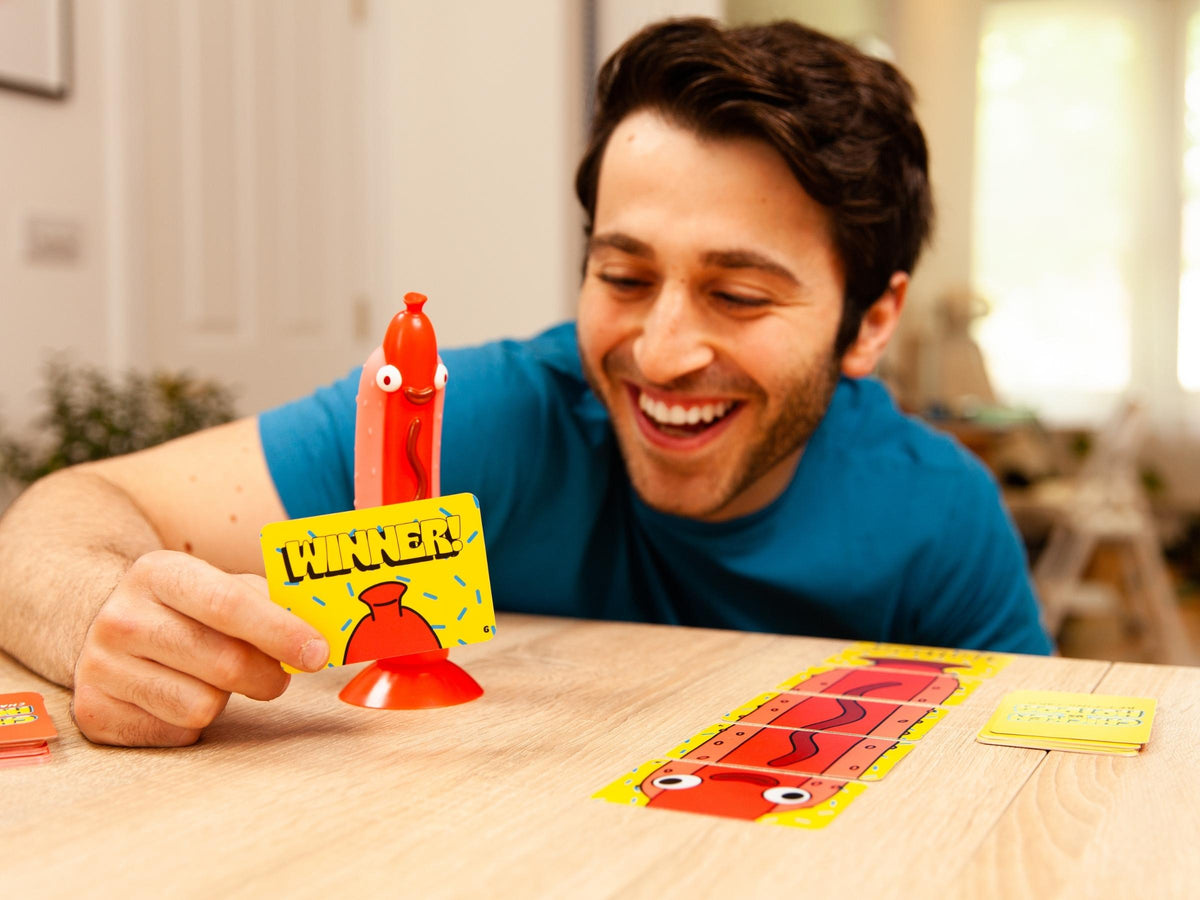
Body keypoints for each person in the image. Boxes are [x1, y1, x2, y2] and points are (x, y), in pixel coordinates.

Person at [0, 18, 1052, 748]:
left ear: (872, 320)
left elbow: (1042, 779)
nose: (662, 349)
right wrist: (104, 614)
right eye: (625, 274)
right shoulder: (491, 416)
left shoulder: (937, 513)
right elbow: (65, 515)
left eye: (739, 295)